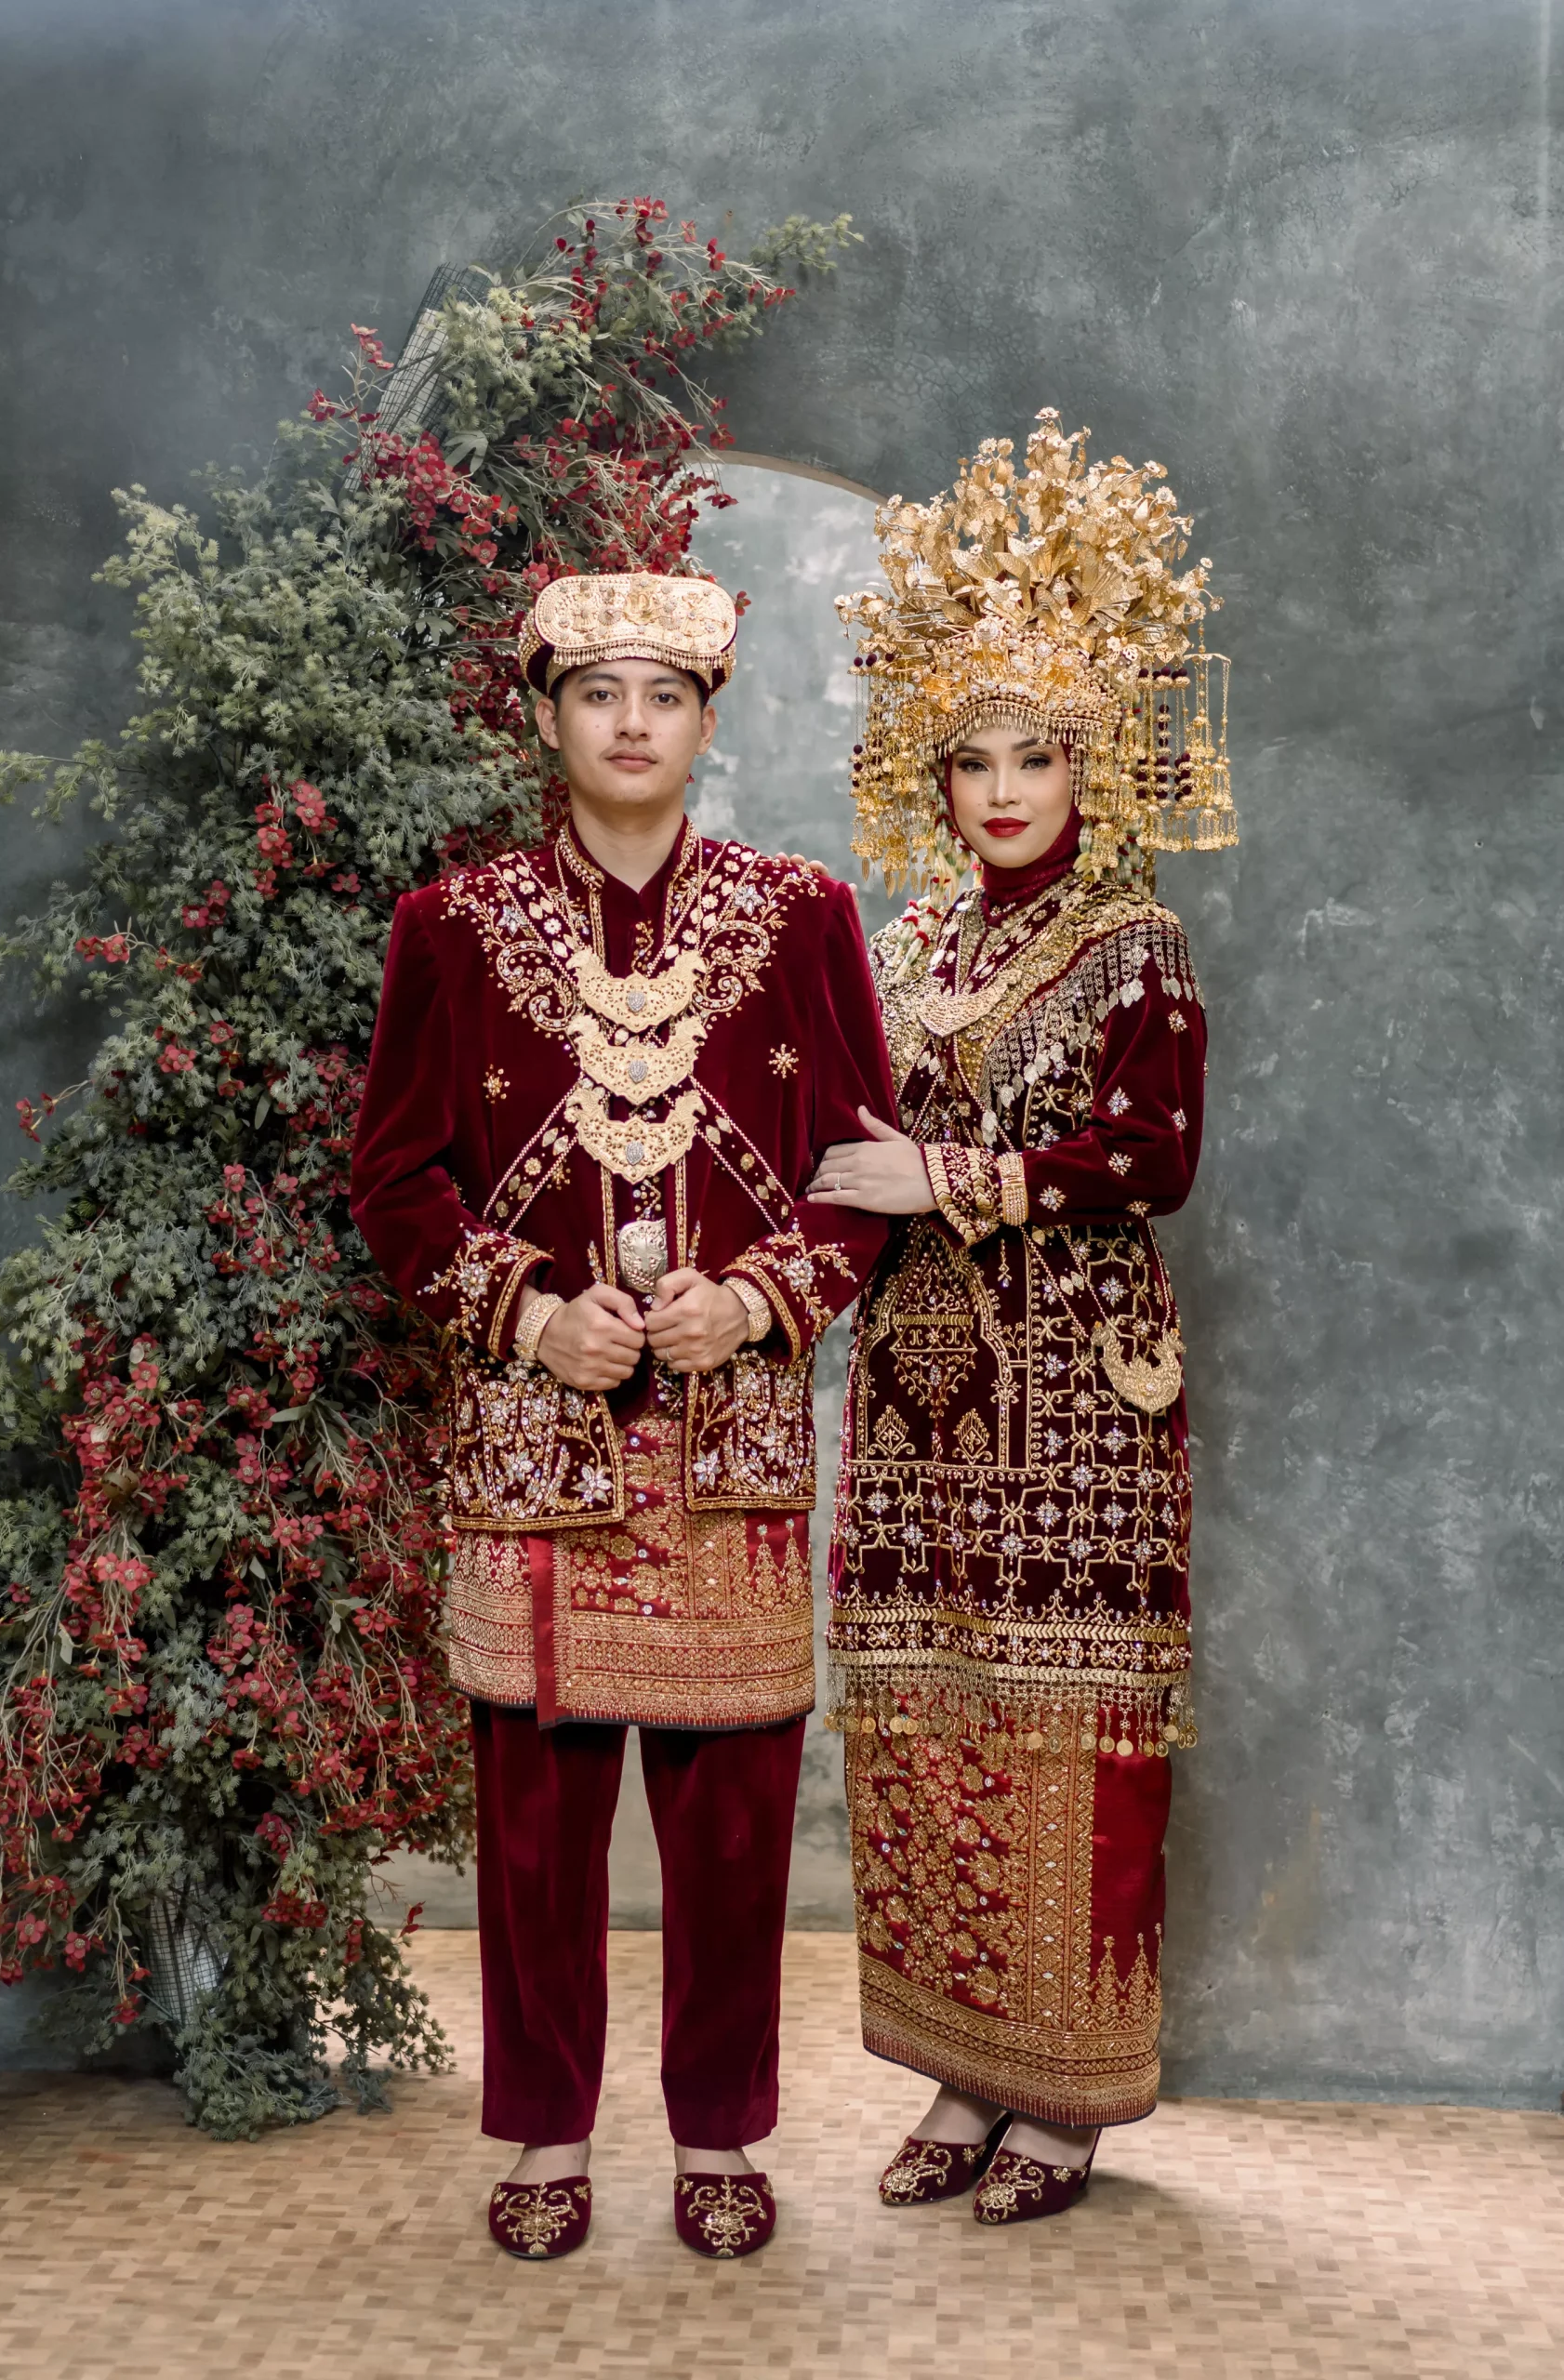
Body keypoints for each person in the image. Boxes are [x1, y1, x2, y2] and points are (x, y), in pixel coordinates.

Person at [350, 572, 895, 2261]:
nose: (633, 722)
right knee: (536, 1826)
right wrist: (525, 1309)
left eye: (666, 693)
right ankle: (546, 2130)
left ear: (708, 722)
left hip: (730, 1448)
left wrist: (761, 1298)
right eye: (598, 693)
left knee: (732, 1826)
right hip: (536, 1450)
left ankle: (719, 2134)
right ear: (544, 718)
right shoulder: (450, 926)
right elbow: (393, 1179)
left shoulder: (803, 915)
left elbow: (861, 1171)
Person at [809, 414, 1237, 2227]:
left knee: (1065, 1723)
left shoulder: (1136, 943)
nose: (1000, 789)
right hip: (916, 1400)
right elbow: (831, 1136)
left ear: (1094, 762)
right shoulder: (901, 947)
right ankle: (961, 2071)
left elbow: (1155, 1153)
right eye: (970, 755)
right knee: (926, 1723)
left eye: (1036, 752)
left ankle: (1061, 2096)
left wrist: (951, 1178)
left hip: (1076, 1398)